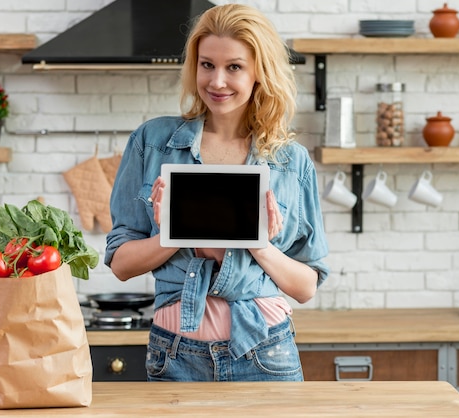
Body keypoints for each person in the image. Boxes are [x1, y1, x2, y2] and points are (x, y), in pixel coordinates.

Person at [104, 3, 329, 382]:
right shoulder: (152, 142)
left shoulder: (291, 161)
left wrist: (259, 244)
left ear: (259, 71)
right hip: (175, 352)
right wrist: (171, 234)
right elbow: (121, 265)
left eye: (234, 67)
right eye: (207, 64)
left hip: (266, 351)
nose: (217, 81)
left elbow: (306, 287)